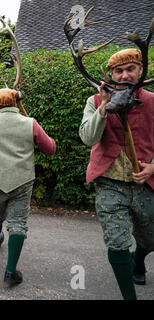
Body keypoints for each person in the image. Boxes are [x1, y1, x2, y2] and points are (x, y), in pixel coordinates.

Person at [79, 48, 154, 300]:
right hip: (108, 183)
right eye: (118, 71)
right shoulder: (94, 100)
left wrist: (153, 168)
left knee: (150, 238)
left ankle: (138, 259)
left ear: (141, 70)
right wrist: (103, 107)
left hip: (145, 183)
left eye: (130, 69)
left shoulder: (153, 101)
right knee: (117, 242)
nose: (124, 76)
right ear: (110, 74)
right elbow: (88, 137)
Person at [0, 88, 56, 286]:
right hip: (22, 179)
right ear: (16, 102)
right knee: (17, 223)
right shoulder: (30, 123)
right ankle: (10, 272)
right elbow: (50, 149)